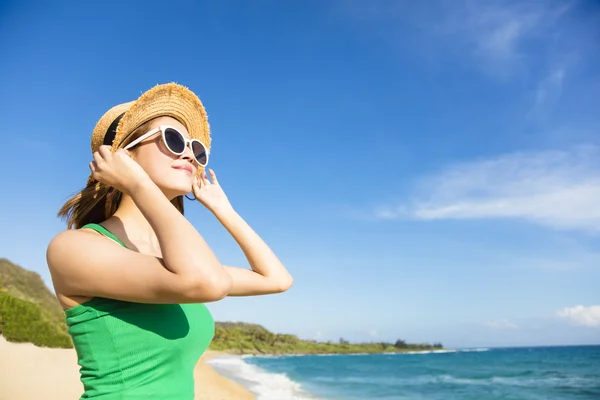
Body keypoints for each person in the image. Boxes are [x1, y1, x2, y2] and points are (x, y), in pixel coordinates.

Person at [46, 82, 294, 399]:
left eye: (196, 148)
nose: (190, 153)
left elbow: (276, 279)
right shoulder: (75, 248)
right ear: (125, 156)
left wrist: (223, 209)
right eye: (173, 140)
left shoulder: (173, 262)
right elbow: (210, 284)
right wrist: (138, 183)